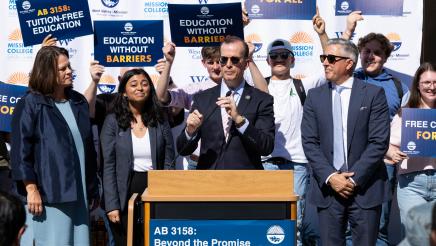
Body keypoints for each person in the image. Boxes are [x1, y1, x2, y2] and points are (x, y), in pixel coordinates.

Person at [301, 38, 390, 245]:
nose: (325, 62)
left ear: (349, 63)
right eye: (323, 58)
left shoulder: (374, 94)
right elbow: (309, 142)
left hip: (365, 188)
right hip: (328, 189)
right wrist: (331, 177)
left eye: (331, 58)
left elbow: (378, 142)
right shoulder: (314, 96)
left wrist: (352, 180)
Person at [10, 46, 99, 245]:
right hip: (49, 194)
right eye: (62, 68)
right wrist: (31, 188)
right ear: (47, 72)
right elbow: (20, 151)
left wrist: (93, 189)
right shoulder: (31, 103)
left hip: (81, 194)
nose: (69, 71)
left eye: (69, 66)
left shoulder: (78, 102)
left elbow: (88, 148)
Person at [156, 41, 268, 169]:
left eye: (219, 61)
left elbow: (264, 95)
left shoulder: (243, 88)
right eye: (210, 62)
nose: (216, 67)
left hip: (239, 164)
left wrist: (250, 59)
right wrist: (169, 63)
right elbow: (160, 97)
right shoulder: (196, 91)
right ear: (203, 63)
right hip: (199, 163)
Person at [101, 68, 175, 245]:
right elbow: (108, 165)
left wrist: (166, 195)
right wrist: (112, 205)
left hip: (154, 189)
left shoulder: (160, 119)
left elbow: (168, 160)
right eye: (133, 85)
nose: (140, 88)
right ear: (124, 92)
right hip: (124, 192)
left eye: (144, 84)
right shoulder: (113, 121)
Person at [385, 62, 436, 229]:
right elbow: (387, 144)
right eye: (427, 82)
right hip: (412, 184)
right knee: (416, 237)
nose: (432, 87)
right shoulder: (405, 114)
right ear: (418, 86)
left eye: (435, 82)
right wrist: (392, 152)